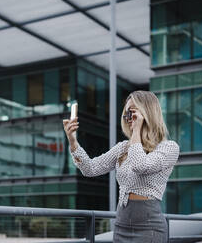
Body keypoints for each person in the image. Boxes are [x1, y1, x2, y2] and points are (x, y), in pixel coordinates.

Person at [62, 90, 180, 243]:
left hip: (149, 228)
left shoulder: (168, 148)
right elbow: (90, 168)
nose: (129, 119)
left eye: (132, 113)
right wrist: (73, 141)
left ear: (148, 112)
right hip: (121, 225)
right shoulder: (123, 148)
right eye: (126, 114)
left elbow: (141, 166)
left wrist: (137, 131)